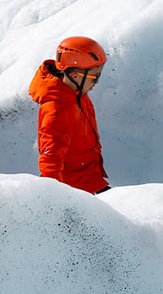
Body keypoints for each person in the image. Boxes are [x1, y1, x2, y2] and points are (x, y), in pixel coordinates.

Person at [28, 36, 110, 194]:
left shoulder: (77, 95)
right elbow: (50, 161)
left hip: (91, 183)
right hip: (77, 194)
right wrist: (57, 202)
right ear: (75, 75)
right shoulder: (57, 111)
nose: (96, 83)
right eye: (95, 77)